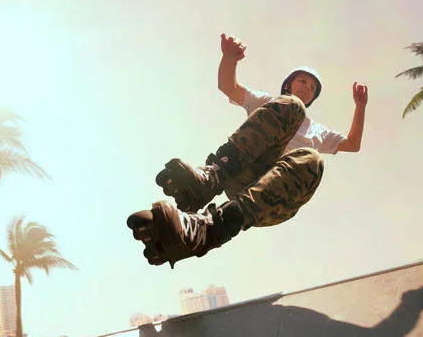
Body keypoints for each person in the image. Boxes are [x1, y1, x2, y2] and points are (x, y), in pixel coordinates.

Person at [127, 33, 368, 269]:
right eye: (302, 82)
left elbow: (352, 144)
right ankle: (211, 178)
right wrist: (229, 58)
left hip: (274, 197)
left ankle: (208, 229)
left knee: (312, 160)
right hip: (241, 176)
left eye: (312, 87)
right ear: (289, 84)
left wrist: (360, 106)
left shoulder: (317, 131)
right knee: (292, 107)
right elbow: (227, 86)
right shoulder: (270, 103)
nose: (307, 88)